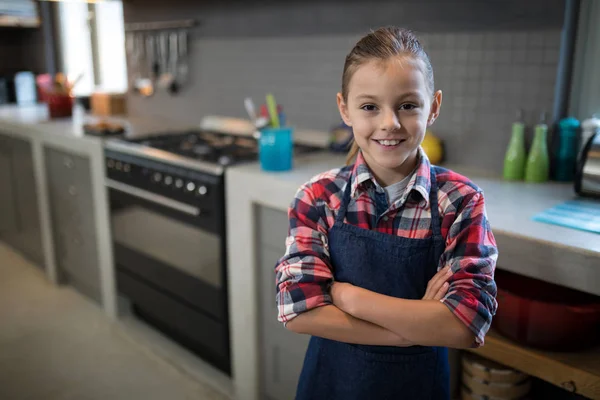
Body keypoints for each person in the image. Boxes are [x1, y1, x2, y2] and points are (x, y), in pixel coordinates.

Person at [274, 26, 498, 400]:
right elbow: (298, 310)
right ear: (345, 109)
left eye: (408, 105)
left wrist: (348, 298)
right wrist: (409, 331)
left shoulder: (459, 201)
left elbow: (466, 325)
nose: (389, 123)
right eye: (369, 107)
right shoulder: (318, 196)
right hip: (330, 385)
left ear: (435, 106)